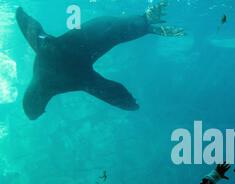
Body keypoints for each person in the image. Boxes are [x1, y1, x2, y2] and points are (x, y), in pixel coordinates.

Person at [16, 0, 185, 120]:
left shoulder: (67, 81)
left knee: (121, 31)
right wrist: (22, 19)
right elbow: (35, 34)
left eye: (41, 106)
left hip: (104, 34)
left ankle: (148, 23)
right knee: (118, 29)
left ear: (39, 100)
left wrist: (124, 102)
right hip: (99, 28)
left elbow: (97, 86)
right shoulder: (42, 55)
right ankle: (147, 23)